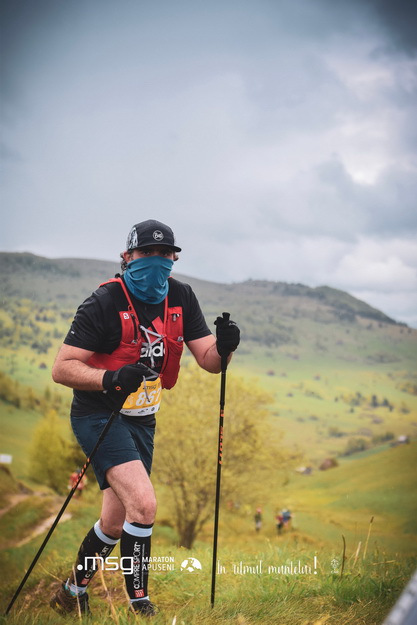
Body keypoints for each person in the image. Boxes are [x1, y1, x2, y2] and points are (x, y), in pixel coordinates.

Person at [49, 219, 240, 617]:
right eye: (146, 253)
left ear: (174, 259)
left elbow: (209, 361)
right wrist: (110, 378)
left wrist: (226, 348)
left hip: (143, 417)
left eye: (164, 253)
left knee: (113, 523)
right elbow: (62, 368)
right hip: (99, 413)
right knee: (144, 504)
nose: (156, 260)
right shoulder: (104, 302)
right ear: (127, 257)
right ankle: (141, 606)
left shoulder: (181, 297)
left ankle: (70, 593)